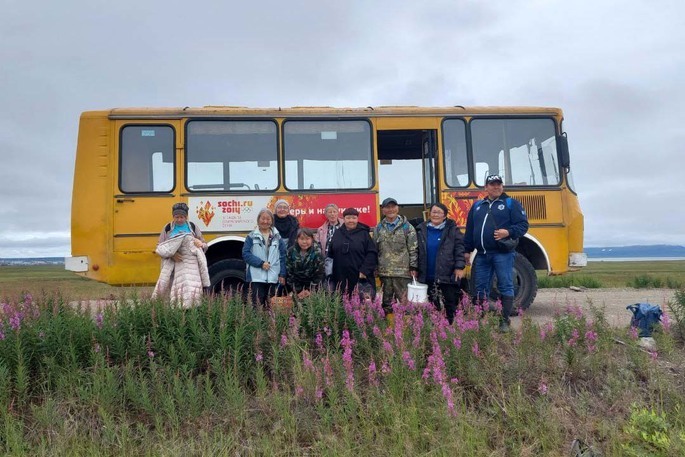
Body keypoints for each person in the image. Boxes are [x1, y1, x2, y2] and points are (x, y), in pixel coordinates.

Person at [463, 174, 529, 332]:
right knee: (479, 288)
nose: (496, 187)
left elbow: (523, 225)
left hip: (502, 254)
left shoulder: (511, 204)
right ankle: (479, 322)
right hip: (482, 255)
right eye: (492, 184)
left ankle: (504, 322)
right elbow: (470, 230)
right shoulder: (478, 206)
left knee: (505, 285)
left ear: (502, 186)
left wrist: (508, 232)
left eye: (499, 184)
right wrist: (467, 250)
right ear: (486, 188)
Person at [152, 202, 210, 307]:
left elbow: (205, 245)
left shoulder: (192, 227)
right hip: (173, 266)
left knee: (191, 293)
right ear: (173, 216)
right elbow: (159, 247)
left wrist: (200, 243)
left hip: (191, 267)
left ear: (186, 217)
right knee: (174, 294)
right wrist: (171, 255)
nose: (179, 219)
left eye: (182, 217)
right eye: (176, 217)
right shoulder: (168, 228)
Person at [416, 203, 465, 324]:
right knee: (433, 302)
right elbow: (415, 250)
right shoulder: (421, 229)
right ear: (429, 213)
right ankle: (436, 327)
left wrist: (459, 266)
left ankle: (450, 326)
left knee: (450, 301)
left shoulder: (453, 230)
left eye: (439, 212)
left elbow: (460, 249)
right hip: (428, 273)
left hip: (447, 273)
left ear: (445, 216)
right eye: (433, 212)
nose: (435, 214)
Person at [374, 197, 418, 316]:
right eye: (387, 207)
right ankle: (390, 330)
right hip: (385, 273)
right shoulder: (378, 228)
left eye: (393, 207)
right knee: (387, 305)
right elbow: (375, 249)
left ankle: (407, 331)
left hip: (403, 273)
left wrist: (413, 267)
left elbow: (413, 249)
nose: (390, 209)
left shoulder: (407, 227)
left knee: (406, 304)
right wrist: (376, 268)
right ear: (383, 210)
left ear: (397, 208)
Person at [327, 207, 378, 298]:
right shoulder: (338, 233)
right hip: (340, 277)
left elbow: (372, 254)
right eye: (348, 218)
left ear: (357, 219)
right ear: (344, 219)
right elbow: (330, 254)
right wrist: (329, 273)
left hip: (360, 276)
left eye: (354, 218)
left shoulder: (364, 234)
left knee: (361, 305)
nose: (351, 220)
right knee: (342, 302)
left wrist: (364, 271)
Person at [242, 208, 287, 308]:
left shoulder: (277, 237)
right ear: (258, 220)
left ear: (272, 221)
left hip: (273, 277)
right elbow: (246, 254)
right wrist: (261, 263)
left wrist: (282, 274)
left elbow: (282, 257)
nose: (265, 221)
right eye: (263, 219)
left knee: (271, 307)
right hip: (256, 277)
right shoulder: (251, 236)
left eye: (268, 219)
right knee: (257, 307)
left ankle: (271, 324)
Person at [286, 228, 325, 299]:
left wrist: (309, 290)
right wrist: (298, 290)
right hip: (295, 289)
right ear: (297, 239)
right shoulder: (291, 252)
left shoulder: (317, 253)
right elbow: (289, 273)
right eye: (301, 239)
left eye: (307, 239)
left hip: (312, 289)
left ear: (312, 239)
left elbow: (319, 274)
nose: (304, 242)